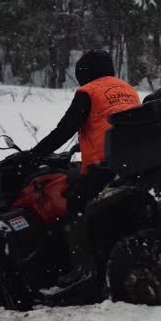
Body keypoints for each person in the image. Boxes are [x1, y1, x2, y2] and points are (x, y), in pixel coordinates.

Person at [29, 49, 142, 285]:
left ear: (85, 72)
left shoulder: (88, 92)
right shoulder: (128, 90)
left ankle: (81, 270)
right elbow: (114, 125)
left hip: (103, 168)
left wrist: (33, 155)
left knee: (75, 206)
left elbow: (64, 130)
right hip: (132, 165)